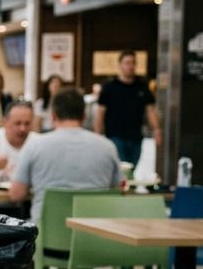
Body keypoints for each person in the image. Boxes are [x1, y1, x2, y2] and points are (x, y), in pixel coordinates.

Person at [10, 89, 122, 225]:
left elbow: (16, 194)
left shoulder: (34, 146)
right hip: (94, 237)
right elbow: (118, 191)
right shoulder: (107, 147)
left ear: (53, 116)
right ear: (84, 115)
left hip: (46, 237)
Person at [94, 50, 160, 166]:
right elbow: (100, 113)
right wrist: (98, 135)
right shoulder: (109, 87)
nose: (131, 66)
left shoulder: (142, 86)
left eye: (133, 63)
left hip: (136, 136)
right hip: (115, 136)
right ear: (120, 65)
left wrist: (156, 129)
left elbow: (150, 110)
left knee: (132, 169)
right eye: (127, 63)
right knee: (122, 169)